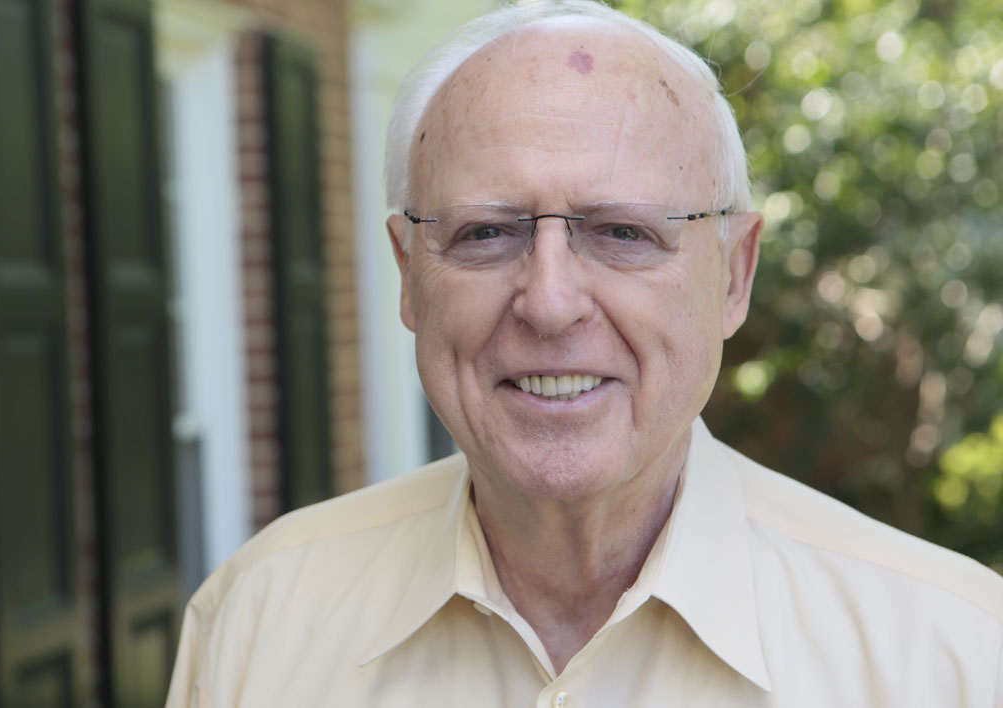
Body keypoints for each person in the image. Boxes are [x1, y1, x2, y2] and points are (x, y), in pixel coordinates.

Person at [166, 1, 1003, 705]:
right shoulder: (256, 626)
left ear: (734, 277)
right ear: (408, 277)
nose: (551, 302)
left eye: (623, 233)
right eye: (487, 232)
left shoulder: (952, 657)